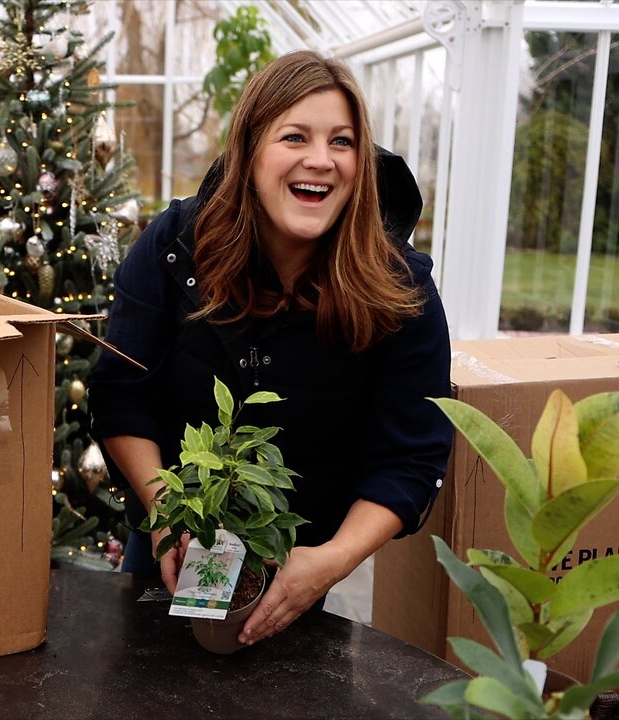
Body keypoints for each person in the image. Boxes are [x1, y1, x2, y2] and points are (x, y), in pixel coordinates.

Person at [87, 50, 454, 647]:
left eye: (342, 141)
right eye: (295, 136)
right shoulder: (175, 248)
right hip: (169, 545)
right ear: (250, 151)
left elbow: (411, 458)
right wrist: (164, 518)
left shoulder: (399, 289)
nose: (321, 160)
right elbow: (121, 393)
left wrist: (330, 562)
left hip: (300, 568)